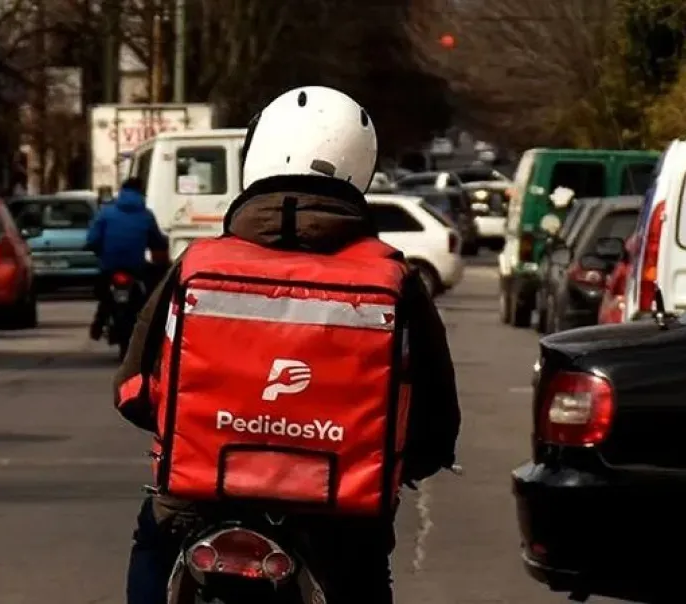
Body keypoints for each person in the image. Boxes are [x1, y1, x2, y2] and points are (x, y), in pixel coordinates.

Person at [112, 86, 461, 604]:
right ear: (359, 167)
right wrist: (410, 458)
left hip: (199, 503)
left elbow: (133, 390)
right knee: (365, 575)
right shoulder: (395, 280)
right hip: (341, 518)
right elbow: (436, 421)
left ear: (258, 156)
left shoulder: (197, 265)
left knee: (154, 543)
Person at [85, 177, 167, 340]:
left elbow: (92, 239)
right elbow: (157, 241)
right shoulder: (146, 215)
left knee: (104, 294)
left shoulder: (106, 213)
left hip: (110, 265)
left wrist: (96, 250)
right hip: (135, 266)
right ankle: (150, 325)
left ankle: (98, 323)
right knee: (148, 293)